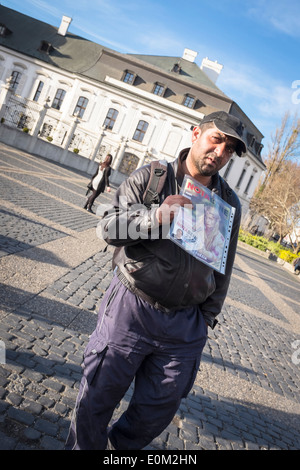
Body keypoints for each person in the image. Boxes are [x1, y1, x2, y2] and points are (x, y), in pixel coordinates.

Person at [66, 111, 246, 450]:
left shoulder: (228, 204)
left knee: (155, 413)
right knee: (95, 401)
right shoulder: (153, 176)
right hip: (131, 308)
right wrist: (154, 217)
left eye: (229, 148)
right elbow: (107, 229)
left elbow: (224, 266)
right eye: (216, 139)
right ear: (196, 134)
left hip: (184, 328)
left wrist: (205, 319)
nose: (220, 152)